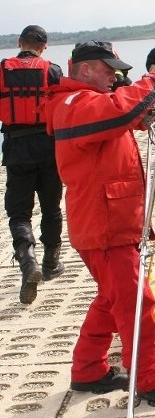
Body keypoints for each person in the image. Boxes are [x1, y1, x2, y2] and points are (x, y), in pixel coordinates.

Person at [44, 41, 155, 405]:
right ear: (84, 68)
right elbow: (121, 110)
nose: (115, 74)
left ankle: (87, 369)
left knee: (112, 301)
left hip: (112, 222)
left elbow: (129, 113)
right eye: (107, 68)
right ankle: (149, 379)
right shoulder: (76, 104)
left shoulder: (87, 105)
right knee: (135, 302)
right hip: (105, 225)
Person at [0, 25, 65, 305]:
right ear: (44, 46)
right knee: (51, 207)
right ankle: (51, 262)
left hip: (16, 148)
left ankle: (28, 262)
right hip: (49, 147)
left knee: (18, 213)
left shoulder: (2, 70)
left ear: (19, 42)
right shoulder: (52, 70)